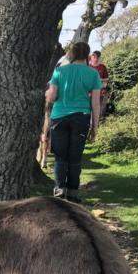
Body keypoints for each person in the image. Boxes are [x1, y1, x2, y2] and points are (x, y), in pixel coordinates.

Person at [45, 41, 101, 203]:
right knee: (75, 158)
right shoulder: (93, 74)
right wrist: (95, 127)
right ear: (88, 55)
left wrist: (48, 95)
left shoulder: (59, 72)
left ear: (72, 53)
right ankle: (73, 193)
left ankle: (60, 190)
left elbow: (52, 97)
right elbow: (95, 104)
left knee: (60, 157)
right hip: (81, 117)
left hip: (59, 117)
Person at [89, 50, 109, 120]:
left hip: (99, 93)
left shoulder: (103, 67)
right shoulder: (87, 67)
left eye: (97, 57)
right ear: (91, 57)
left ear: (99, 58)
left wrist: (103, 89)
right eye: (94, 57)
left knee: (96, 110)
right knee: (87, 110)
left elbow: (106, 80)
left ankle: (95, 127)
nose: (96, 59)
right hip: (88, 93)